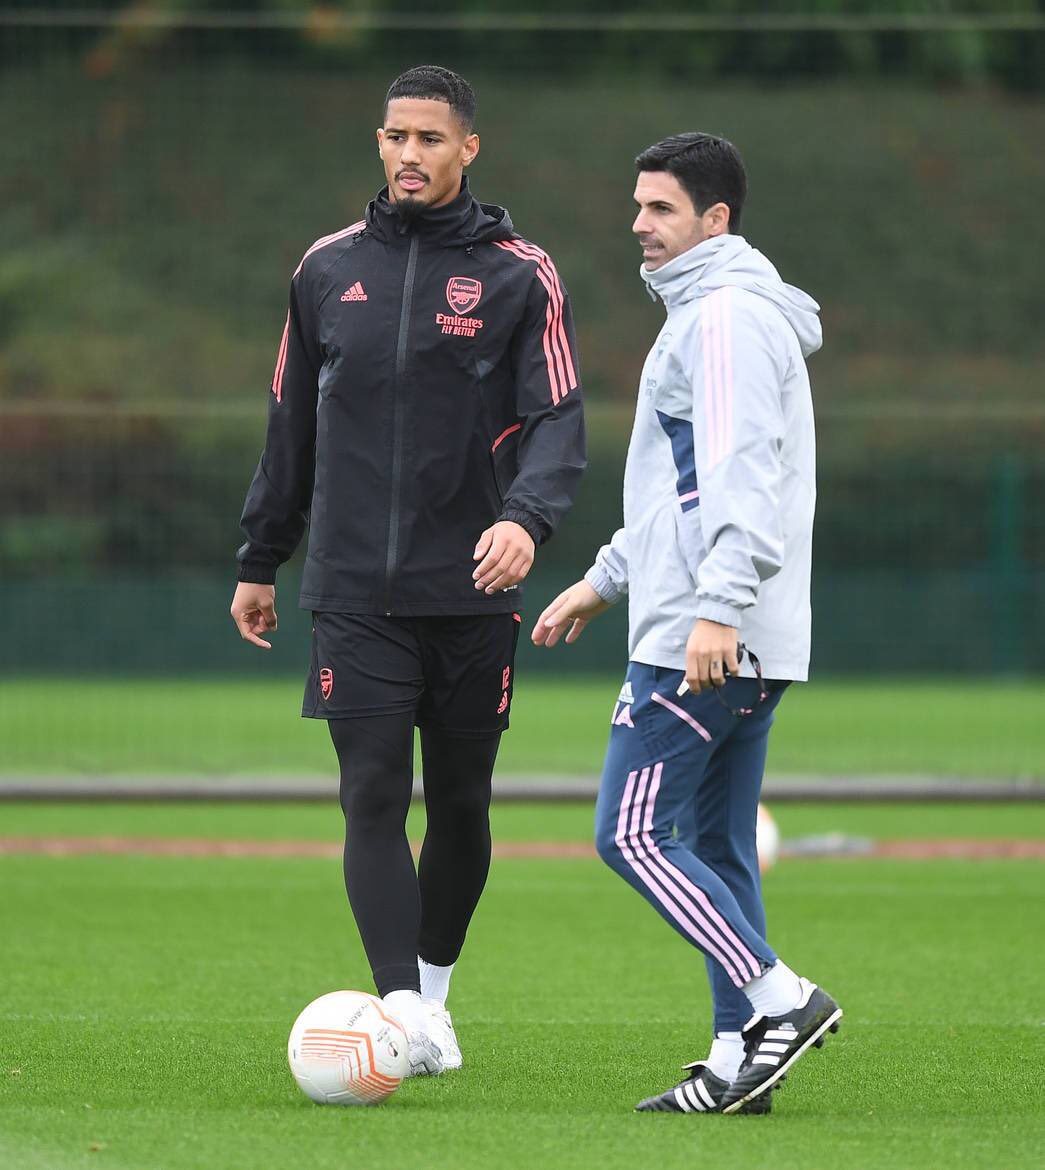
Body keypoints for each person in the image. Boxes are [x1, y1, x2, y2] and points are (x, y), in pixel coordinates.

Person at [230, 65, 585, 1076]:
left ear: (467, 148)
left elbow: (559, 417)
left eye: (429, 139)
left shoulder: (522, 272)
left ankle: (434, 993)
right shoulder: (324, 270)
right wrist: (262, 556)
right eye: (394, 137)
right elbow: (288, 423)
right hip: (351, 589)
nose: (408, 155)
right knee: (371, 791)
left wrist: (526, 520)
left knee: (462, 799)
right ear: (378, 146)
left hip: (473, 588)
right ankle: (401, 1017)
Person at [533, 133, 840, 1115]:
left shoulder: (722, 321)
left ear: (715, 221)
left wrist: (714, 609)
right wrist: (605, 578)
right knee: (715, 845)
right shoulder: (720, 315)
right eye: (635, 206)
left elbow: (741, 472)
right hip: (734, 627)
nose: (637, 224)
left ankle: (781, 999)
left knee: (629, 834)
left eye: (660, 208)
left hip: (706, 637)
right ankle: (734, 1059)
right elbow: (682, 491)